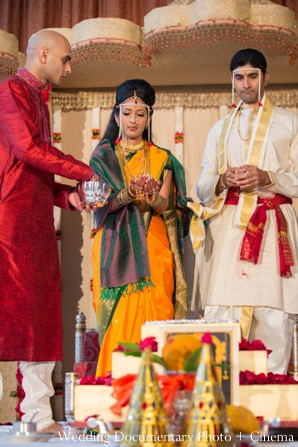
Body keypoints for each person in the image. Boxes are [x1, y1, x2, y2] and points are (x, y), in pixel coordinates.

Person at [0, 30, 98, 433]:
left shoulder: (39, 98)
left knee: (39, 315)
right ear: (43, 54)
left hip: (37, 220)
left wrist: (67, 198)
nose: (69, 66)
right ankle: (33, 415)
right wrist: (85, 172)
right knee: (15, 314)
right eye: (66, 59)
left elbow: (36, 167)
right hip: (10, 221)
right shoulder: (10, 91)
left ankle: (38, 416)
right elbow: (26, 151)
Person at [195, 48, 298, 374]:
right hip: (228, 231)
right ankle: (222, 411)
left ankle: (273, 415)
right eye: (239, 77)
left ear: (265, 77)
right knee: (224, 315)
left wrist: (269, 177)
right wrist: (222, 179)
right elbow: (201, 187)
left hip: (271, 224)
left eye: (252, 76)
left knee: (273, 312)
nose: (245, 83)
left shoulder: (289, 122)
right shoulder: (220, 128)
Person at [90, 79, 190, 376]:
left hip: (154, 250)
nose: (133, 120)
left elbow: (167, 208)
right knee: (117, 323)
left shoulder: (162, 159)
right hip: (113, 249)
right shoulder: (102, 157)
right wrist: (128, 193)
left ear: (149, 118)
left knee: (156, 320)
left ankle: (158, 400)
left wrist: (150, 196)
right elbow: (98, 204)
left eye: (140, 113)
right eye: (127, 112)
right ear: (117, 115)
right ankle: (114, 399)